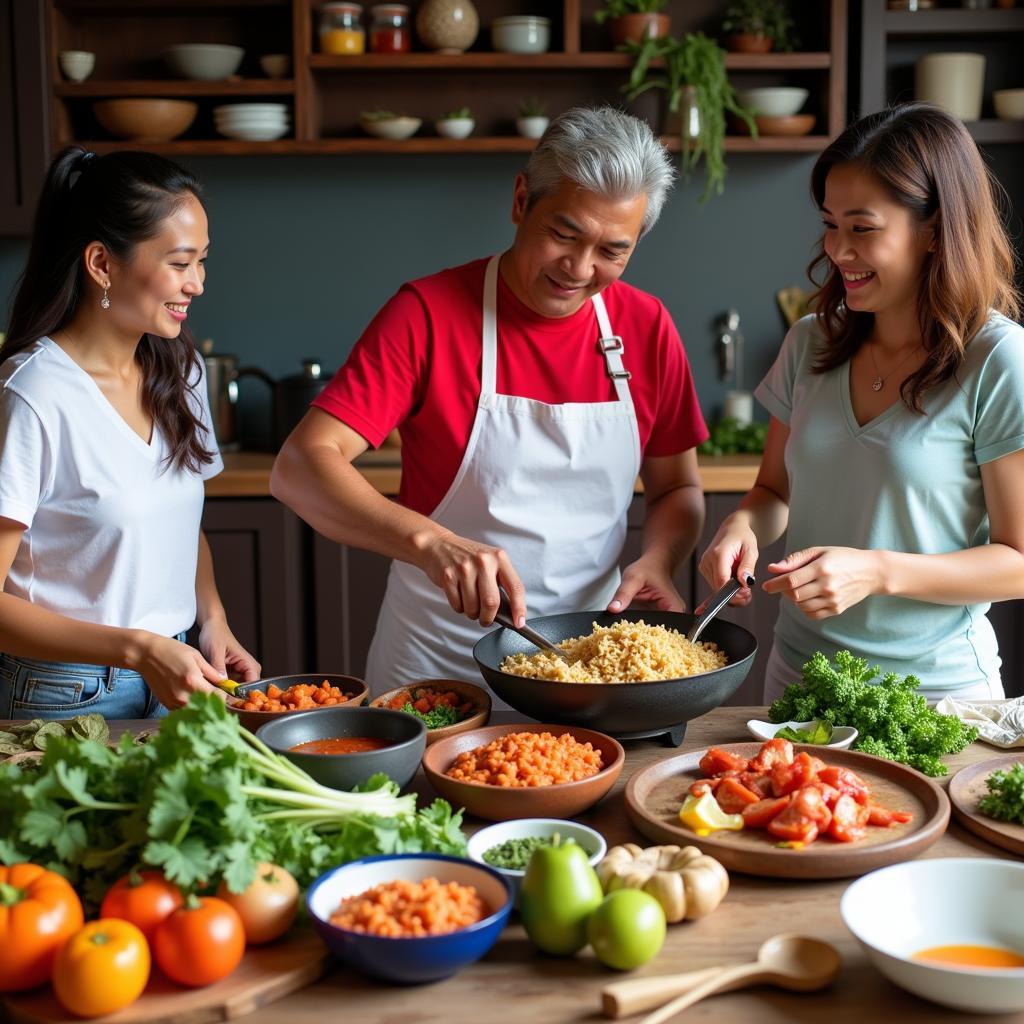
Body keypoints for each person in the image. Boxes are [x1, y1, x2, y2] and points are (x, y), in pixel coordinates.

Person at [272, 106, 708, 697]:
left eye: (613, 250)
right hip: (439, 662)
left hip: (589, 667)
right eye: (563, 234)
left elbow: (677, 489)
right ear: (522, 200)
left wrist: (659, 559)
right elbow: (301, 466)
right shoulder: (427, 313)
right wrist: (432, 545)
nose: (579, 270)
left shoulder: (647, 326)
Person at [698, 103, 1024, 704]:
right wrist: (741, 525)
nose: (838, 250)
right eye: (829, 224)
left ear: (934, 229)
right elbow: (773, 492)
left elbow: (1018, 560)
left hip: (939, 698)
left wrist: (877, 571)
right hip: (799, 685)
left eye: (862, 228)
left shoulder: (998, 359)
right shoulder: (810, 342)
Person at [0, 147, 260, 720]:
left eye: (202, 261)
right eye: (180, 262)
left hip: (179, 675)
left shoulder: (180, 370)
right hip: (64, 695)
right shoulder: (32, 394)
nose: (197, 283)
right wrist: (138, 649)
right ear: (102, 264)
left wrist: (211, 618)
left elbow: (180, 528)